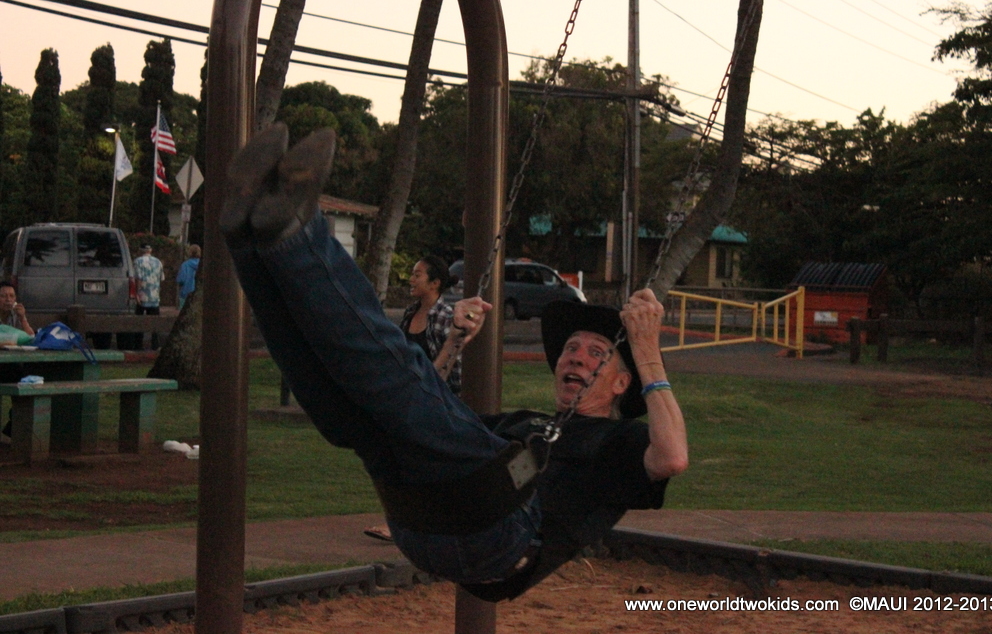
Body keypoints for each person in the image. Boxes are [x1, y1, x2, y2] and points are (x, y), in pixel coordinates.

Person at [219, 123, 688, 601]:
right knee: (352, 413)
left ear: (621, 383)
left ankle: (298, 231)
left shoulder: (620, 443)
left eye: (596, 354)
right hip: (426, 521)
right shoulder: (523, 426)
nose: (576, 357)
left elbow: (672, 457)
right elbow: (432, 413)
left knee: (400, 388)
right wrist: (453, 344)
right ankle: (249, 240)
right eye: (572, 347)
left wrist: (646, 350)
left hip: (501, 539)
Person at [365, 255, 462, 543]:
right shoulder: (410, 313)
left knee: (424, 463)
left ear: (434, 283)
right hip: (411, 400)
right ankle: (403, 523)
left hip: (437, 402)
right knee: (402, 460)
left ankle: (411, 524)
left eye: (417, 274)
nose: (411, 279)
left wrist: (432, 392)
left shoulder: (445, 316)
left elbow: (454, 364)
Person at [0, 281, 33, 444]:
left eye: (11, 296)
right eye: (3, 296)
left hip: (9, 364)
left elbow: (30, 338)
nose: (8, 300)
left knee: (29, 379)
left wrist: (23, 318)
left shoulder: (14, 316)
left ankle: (12, 430)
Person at [133, 244, 164, 350]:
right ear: (150, 251)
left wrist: (136, 294)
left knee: (139, 322)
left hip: (142, 295)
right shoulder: (158, 262)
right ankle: (155, 345)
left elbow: (137, 278)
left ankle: (138, 345)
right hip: (154, 296)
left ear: (140, 251)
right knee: (155, 323)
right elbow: (161, 278)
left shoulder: (137, 261)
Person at [176, 244, 201, 309]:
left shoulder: (185, 265)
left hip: (185, 293)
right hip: (199, 294)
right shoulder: (202, 265)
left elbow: (181, 279)